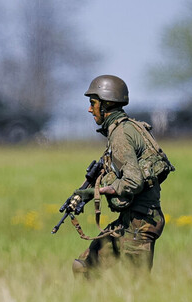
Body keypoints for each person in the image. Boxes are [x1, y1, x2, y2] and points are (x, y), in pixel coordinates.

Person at [71, 74, 173, 277]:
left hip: (139, 225)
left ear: (106, 104)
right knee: (84, 267)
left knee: (136, 289)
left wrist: (95, 192)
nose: (90, 109)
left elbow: (132, 181)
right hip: (130, 221)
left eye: (93, 103)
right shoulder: (128, 127)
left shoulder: (120, 134)